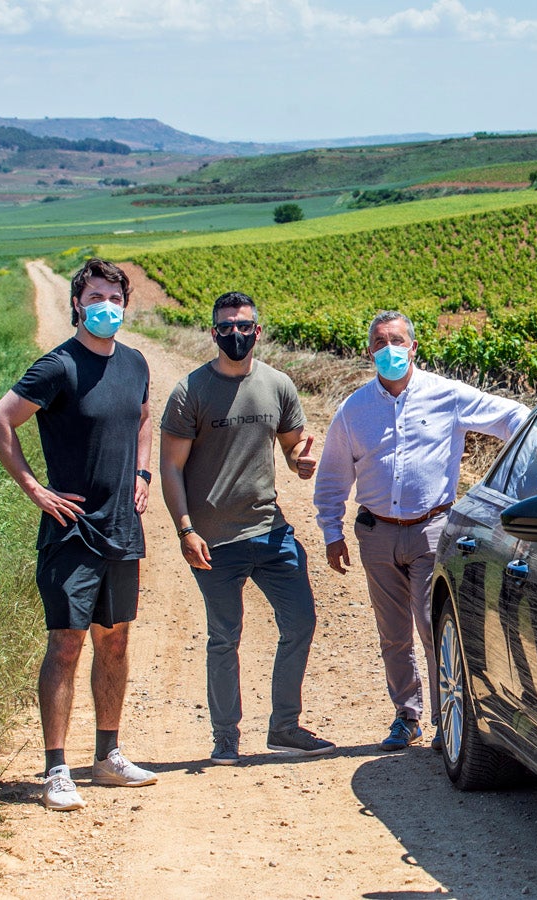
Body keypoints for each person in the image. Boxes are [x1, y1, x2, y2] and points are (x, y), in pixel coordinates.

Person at [0, 257, 158, 811]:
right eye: (97, 297)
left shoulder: (134, 363)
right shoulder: (58, 367)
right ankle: (57, 769)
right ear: (77, 304)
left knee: (116, 639)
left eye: (115, 297)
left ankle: (107, 756)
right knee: (66, 644)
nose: (107, 307)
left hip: (122, 530)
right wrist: (36, 490)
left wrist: (143, 472)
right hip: (71, 530)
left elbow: (144, 416)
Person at [314, 311, 529, 751]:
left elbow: (514, 418)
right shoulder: (354, 409)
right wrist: (330, 530)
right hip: (376, 534)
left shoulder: (445, 395)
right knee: (392, 632)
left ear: (414, 347)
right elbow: (334, 474)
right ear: (368, 352)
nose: (388, 349)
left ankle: (444, 718)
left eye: (397, 340)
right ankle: (406, 716)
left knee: (434, 626)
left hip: (433, 529)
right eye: (379, 342)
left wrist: (523, 472)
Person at [159, 291, 335, 766]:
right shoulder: (190, 392)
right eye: (225, 327)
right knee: (225, 637)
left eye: (243, 326)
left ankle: (284, 727)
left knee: (300, 622)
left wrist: (303, 462)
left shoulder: (278, 385)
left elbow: (295, 448)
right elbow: (171, 468)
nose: (234, 335)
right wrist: (184, 530)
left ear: (258, 331)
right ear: (213, 332)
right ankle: (226, 737)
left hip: (271, 531)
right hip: (214, 540)